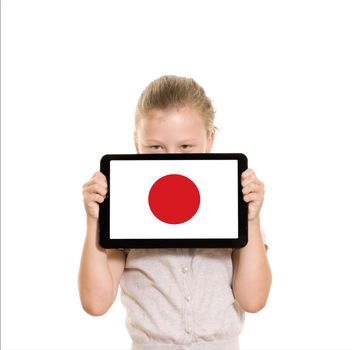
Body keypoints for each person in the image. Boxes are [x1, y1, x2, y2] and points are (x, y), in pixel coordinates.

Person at [79, 75, 272, 350]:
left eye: (186, 147)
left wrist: (251, 219)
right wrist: (94, 221)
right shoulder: (125, 208)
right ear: (137, 144)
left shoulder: (232, 203)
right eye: (155, 147)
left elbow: (253, 300)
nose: (171, 158)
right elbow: (95, 303)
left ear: (210, 140)